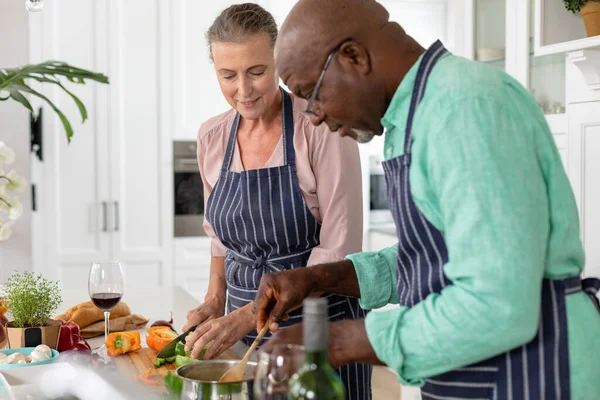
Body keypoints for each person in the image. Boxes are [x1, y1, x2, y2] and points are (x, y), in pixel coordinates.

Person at [253, 0, 600, 399]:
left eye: (310, 96)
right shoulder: (416, 116)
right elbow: (436, 258)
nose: (313, 117)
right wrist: (320, 277)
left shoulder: (465, 108)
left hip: (535, 376)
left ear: (353, 56)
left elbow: (496, 302)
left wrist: (339, 341)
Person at [182, 3, 372, 398]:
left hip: (318, 330)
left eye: (256, 72)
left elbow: (339, 250)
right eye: (228, 75)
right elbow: (219, 239)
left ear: (278, 61)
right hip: (238, 334)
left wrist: (248, 316)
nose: (243, 90)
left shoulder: (322, 128)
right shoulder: (212, 137)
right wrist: (214, 300)